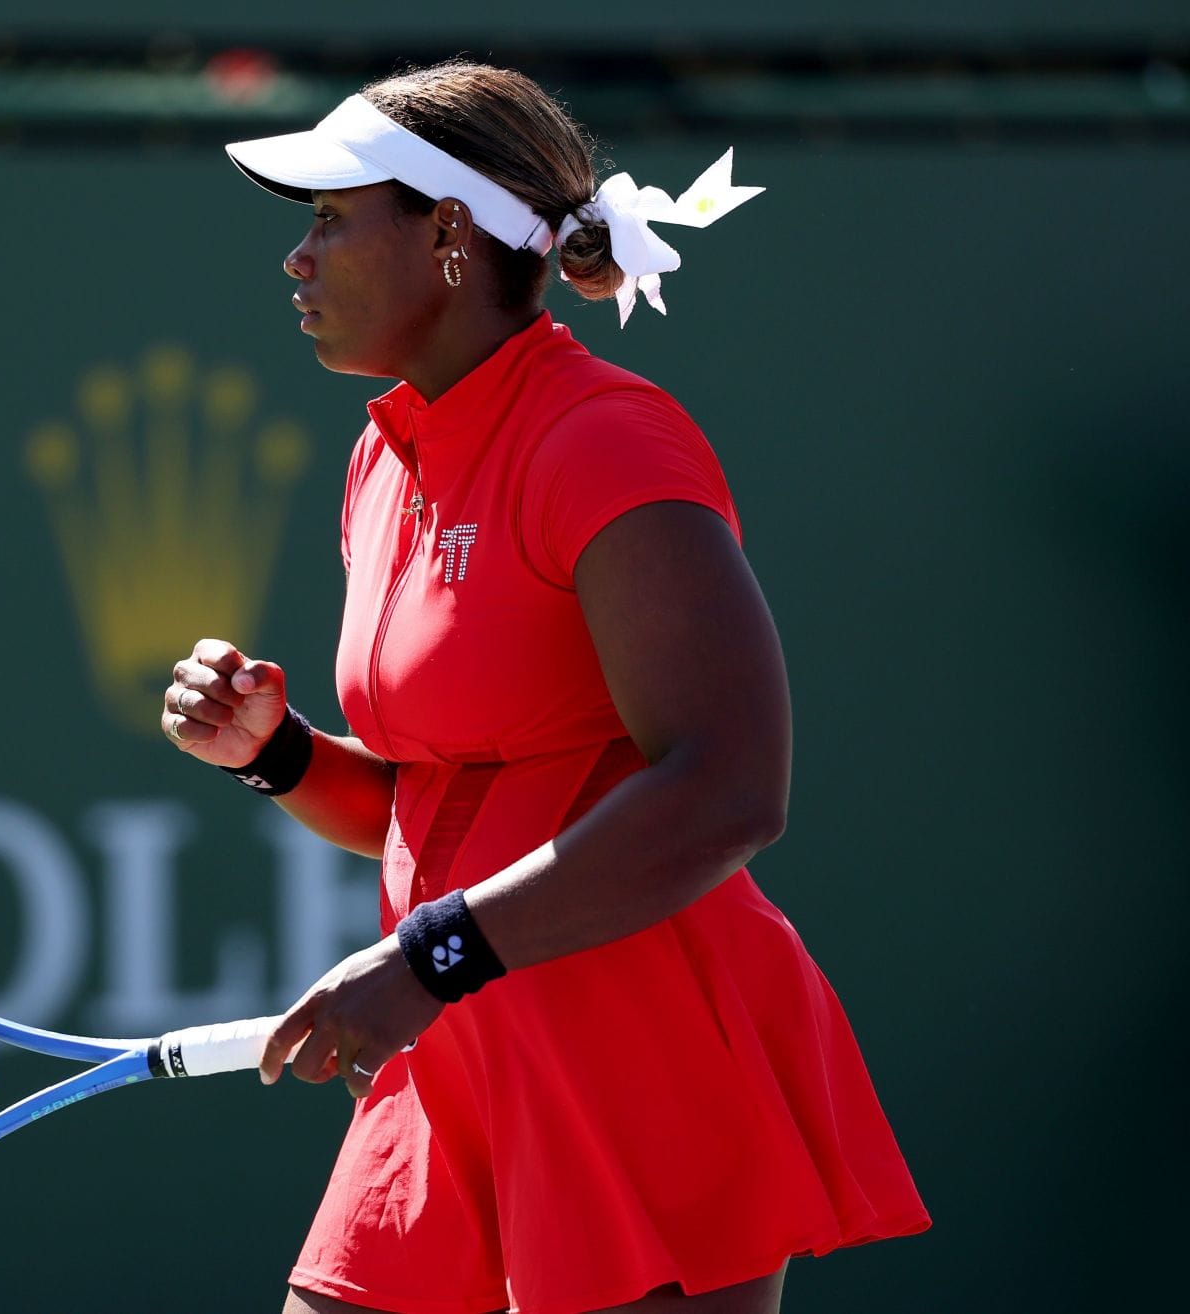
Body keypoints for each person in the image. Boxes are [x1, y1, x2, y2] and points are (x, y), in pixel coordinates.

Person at [160, 61, 930, 1314]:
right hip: (458, 1037)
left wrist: (433, 956)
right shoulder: (386, 456)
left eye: (328, 218)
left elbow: (732, 787)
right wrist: (279, 752)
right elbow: (438, 799)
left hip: (641, 1055)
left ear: (448, 233)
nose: (297, 261)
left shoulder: (604, 440)